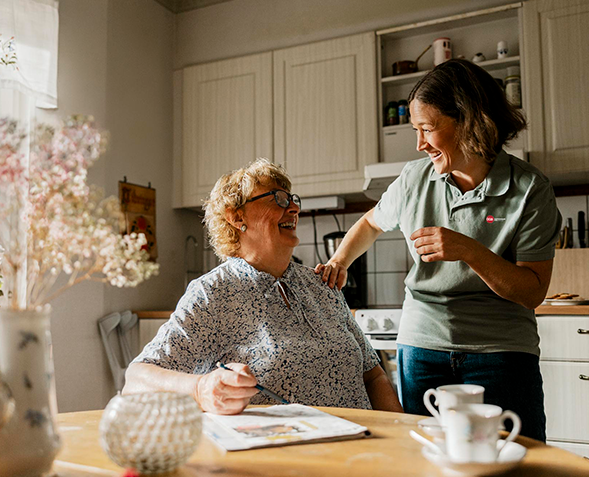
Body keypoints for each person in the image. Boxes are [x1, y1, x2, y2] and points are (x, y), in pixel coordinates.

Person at [315, 59, 561, 441]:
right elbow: (371, 222)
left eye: (427, 129)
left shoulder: (529, 189)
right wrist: (339, 260)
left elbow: (532, 291)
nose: (419, 144)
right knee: (426, 465)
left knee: (516, 464)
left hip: (501, 352)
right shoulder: (415, 178)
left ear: (470, 121)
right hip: (422, 347)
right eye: (416, 130)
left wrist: (468, 249)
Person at [124, 159, 402, 415]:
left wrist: (398, 437)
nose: (293, 208)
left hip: (362, 449)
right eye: (278, 199)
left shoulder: (322, 285)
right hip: (284, 456)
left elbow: (372, 375)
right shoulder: (214, 293)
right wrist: (200, 389)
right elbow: (136, 378)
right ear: (236, 217)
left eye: (292, 199)